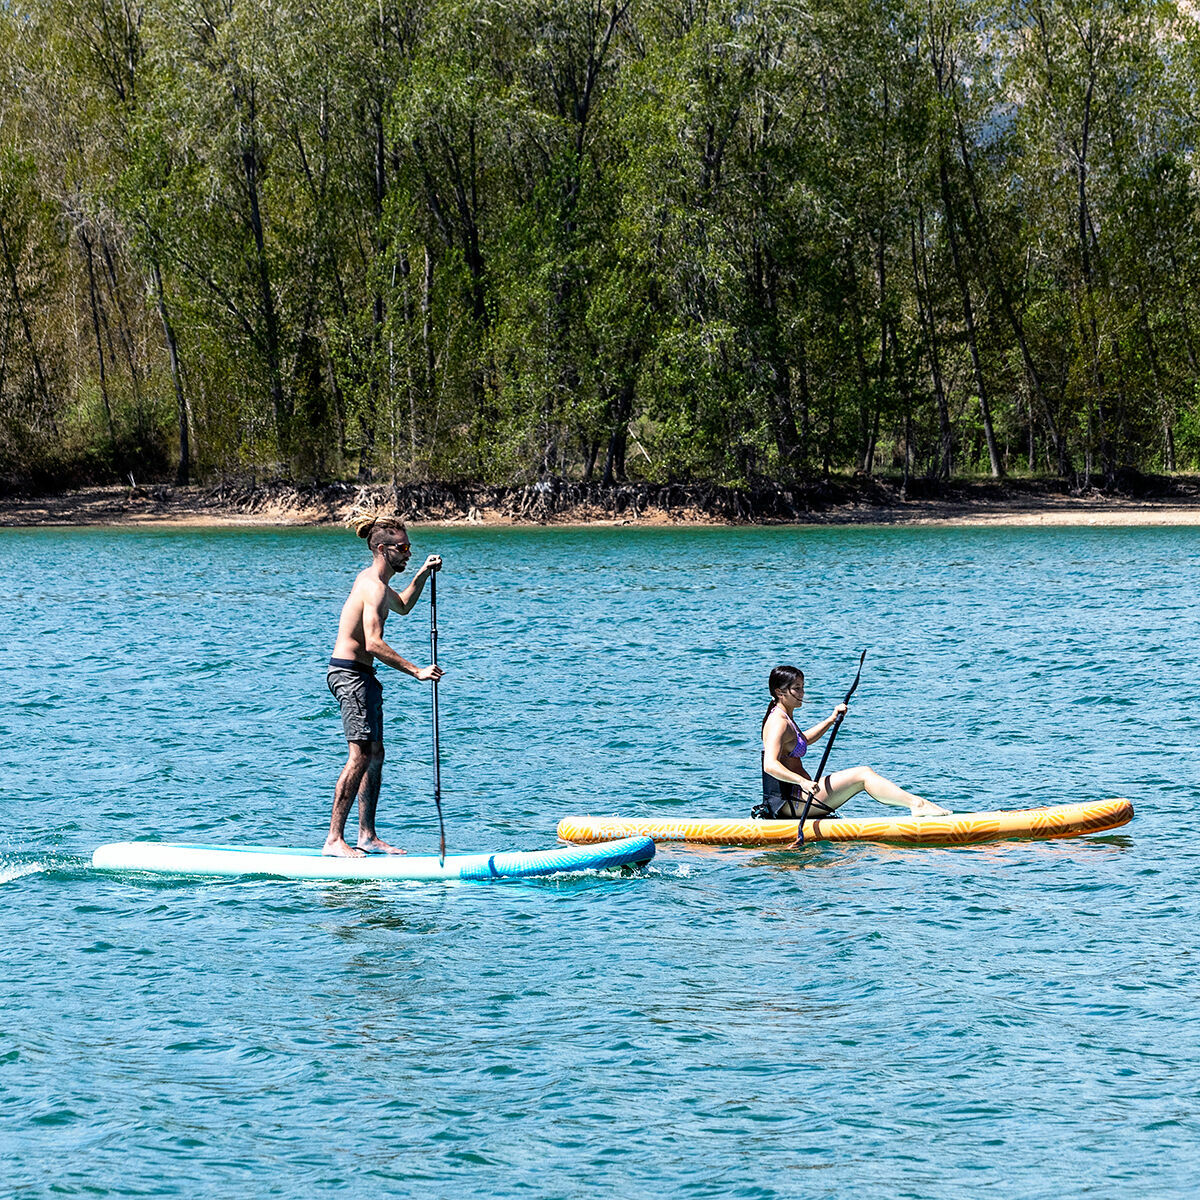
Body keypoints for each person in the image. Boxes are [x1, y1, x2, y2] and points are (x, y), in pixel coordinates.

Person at [323, 511, 444, 857]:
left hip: (365, 676)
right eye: (403, 548)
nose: (408, 553)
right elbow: (373, 642)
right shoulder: (372, 587)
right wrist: (417, 670)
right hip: (349, 674)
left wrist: (421, 574)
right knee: (359, 755)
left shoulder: (382, 585)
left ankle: (367, 836)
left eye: (409, 547)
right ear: (382, 549)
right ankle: (333, 840)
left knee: (375, 754)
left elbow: (403, 606)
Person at [758, 665, 949, 842]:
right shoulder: (778, 722)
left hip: (800, 797)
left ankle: (917, 804)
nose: (802, 693)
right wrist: (802, 781)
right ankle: (916, 804)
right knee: (863, 775)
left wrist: (831, 719)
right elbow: (770, 764)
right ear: (780, 692)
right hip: (792, 802)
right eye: (796, 688)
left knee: (863, 773)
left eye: (802, 687)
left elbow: (802, 740)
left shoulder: (785, 717)